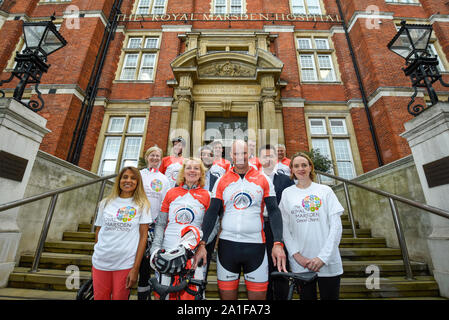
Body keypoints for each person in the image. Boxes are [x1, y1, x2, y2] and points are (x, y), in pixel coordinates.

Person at [196, 140, 287, 300]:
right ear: (231, 155)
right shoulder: (222, 180)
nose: (240, 157)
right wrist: (202, 243)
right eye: (236, 154)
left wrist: (278, 243)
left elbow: (274, 211)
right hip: (227, 247)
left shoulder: (263, 179)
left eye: (244, 153)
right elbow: (212, 212)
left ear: (249, 154)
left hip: (256, 247)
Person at [279, 152, 344, 300]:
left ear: (310, 167)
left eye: (304, 165)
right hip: (301, 264)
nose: (300, 168)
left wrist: (322, 258)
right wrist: (296, 256)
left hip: (328, 262)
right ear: (292, 170)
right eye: (296, 166)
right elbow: (284, 228)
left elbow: (336, 227)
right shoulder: (287, 193)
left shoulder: (325, 191)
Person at [150, 158, 211, 300]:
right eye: (189, 168)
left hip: (193, 253)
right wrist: (156, 248)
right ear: (183, 172)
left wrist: (203, 246)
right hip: (167, 250)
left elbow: (212, 226)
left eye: (196, 168)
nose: (192, 171)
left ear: (201, 174)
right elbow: (160, 223)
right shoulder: (170, 193)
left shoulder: (208, 196)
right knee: (164, 294)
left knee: (193, 296)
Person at [92, 166, 152, 300]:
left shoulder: (143, 205)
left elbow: (143, 237)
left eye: (133, 178)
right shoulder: (105, 203)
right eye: (125, 177)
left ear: (138, 182)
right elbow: (99, 230)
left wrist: (135, 268)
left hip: (125, 264)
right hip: (101, 262)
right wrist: (98, 251)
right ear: (119, 180)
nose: (128, 180)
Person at [259, 144, 295, 300]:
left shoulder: (286, 180)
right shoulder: (253, 178)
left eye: (271, 156)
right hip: (259, 227)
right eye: (265, 156)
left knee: (280, 267)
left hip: (279, 228)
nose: (268, 159)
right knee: (262, 269)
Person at [137, 145, 170, 300]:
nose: (155, 158)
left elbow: (166, 203)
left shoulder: (165, 179)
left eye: (158, 156)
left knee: (147, 263)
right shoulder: (138, 175)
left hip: (154, 226)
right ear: (147, 157)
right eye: (152, 155)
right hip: (135, 224)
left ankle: (146, 293)